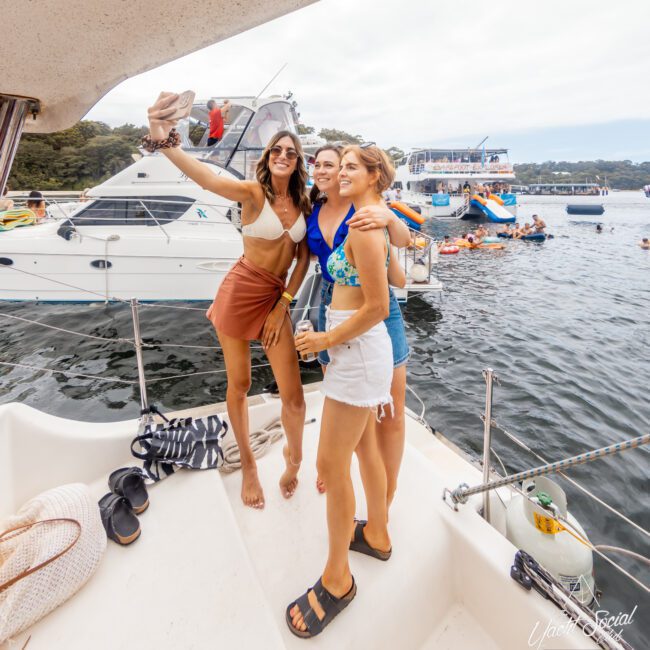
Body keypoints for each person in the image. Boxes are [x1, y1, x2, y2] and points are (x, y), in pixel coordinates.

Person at [147, 92, 310, 509]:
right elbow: (206, 179)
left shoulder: (303, 203)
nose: (283, 155)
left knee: (294, 396)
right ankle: (250, 466)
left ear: (297, 162)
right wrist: (164, 138)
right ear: (269, 155)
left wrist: (283, 304)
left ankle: (294, 458)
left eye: (291, 152)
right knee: (239, 384)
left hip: (276, 298)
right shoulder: (253, 193)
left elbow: (303, 258)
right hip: (240, 293)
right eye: (277, 149)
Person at [289, 145, 397, 638]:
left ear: (374, 175)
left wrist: (324, 340)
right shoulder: (364, 223)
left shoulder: (366, 226)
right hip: (354, 350)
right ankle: (376, 533)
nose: (342, 173)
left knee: (330, 466)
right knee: (365, 448)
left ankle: (338, 580)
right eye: (342, 166)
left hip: (357, 349)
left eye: (352, 166)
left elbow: (377, 306)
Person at [306, 145, 411, 509]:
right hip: (331, 305)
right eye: (319, 165)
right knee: (353, 409)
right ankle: (340, 472)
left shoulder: (366, 209)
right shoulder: (315, 208)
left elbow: (400, 246)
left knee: (390, 409)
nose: (329, 172)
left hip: (372, 310)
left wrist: (390, 219)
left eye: (337, 165)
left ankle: (386, 494)